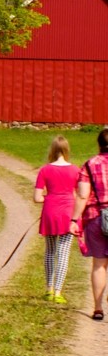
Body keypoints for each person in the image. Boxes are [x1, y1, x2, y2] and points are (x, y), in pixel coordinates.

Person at [36, 136, 83, 303]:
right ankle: (57, 292)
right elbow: (80, 194)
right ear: (66, 150)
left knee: (49, 251)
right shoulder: (75, 170)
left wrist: (48, 198)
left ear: (52, 150)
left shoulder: (44, 170)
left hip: (50, 211)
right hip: (67, 213)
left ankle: (48, 289)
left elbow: (37, 197)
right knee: (63, 253)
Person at [71, 128, 108, 319]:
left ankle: (98, 308)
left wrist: (74, 219)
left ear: (99, 144)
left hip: (96, 216)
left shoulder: (89, 165)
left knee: (99, 264)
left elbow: (83, 195)